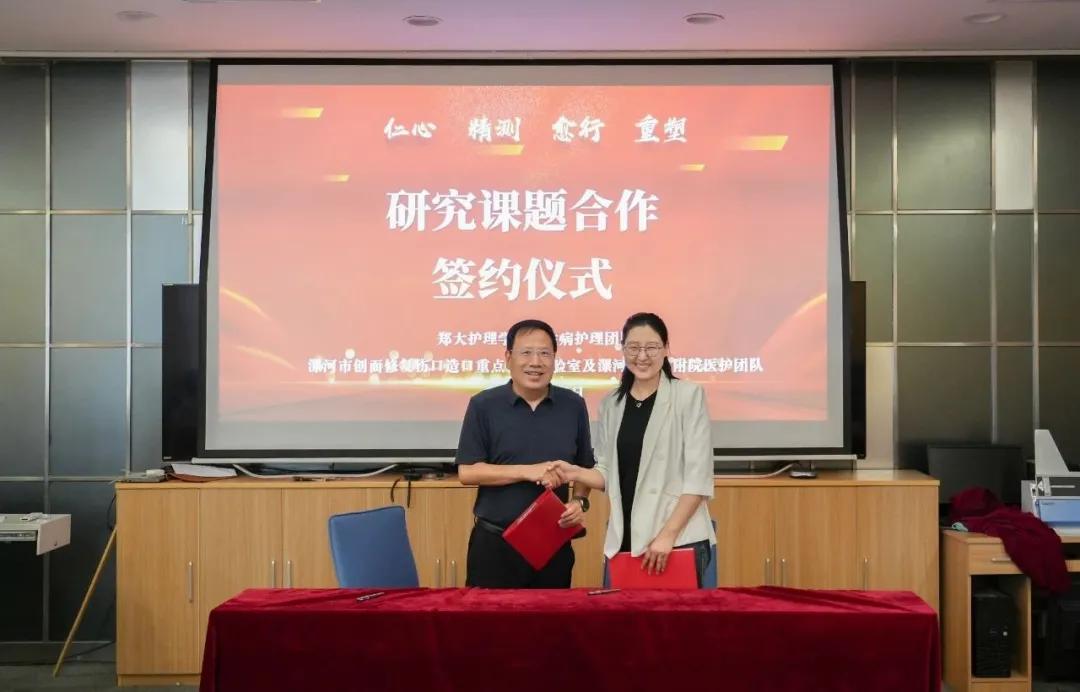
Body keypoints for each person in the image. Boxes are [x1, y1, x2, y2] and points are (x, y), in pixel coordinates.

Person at [552, 312, 715, 585]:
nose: (642, 356)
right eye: (633, 347)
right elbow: (607, 472)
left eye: (651, 347)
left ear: (666, 348)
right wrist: (574, 472)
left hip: (677, 539)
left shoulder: (688, 395)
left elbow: (698, 478)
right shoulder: (612, 404)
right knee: (629, 614)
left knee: (677, 614)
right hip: (626, 538)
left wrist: (667, 536)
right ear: (623, 349)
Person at [455, 319, 595, 588]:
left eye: (544, 353)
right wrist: (527, 471)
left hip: (552, 542)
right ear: (508, 358)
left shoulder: (573, 405)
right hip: (495, 546)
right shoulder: (483, 405)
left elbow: (584, 469)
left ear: (554, 359)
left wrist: (579, 502)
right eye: (526, 353)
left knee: (550, 615)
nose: (535, 362)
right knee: (488, 616)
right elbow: (468, 472)